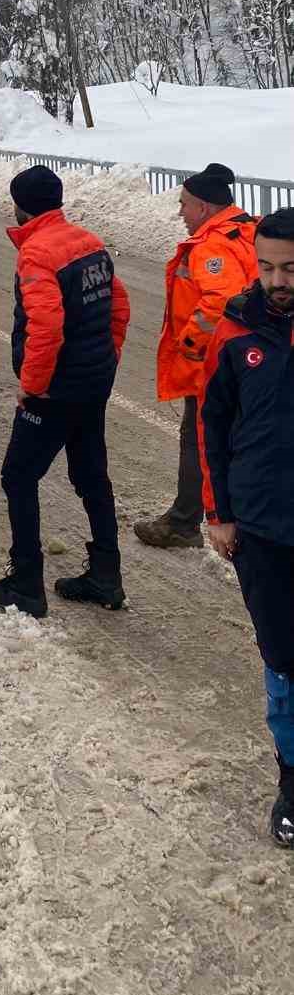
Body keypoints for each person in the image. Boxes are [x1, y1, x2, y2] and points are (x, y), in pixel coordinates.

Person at [0, 166, 131, 619]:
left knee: (18, 477)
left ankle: (26, 583)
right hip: (92, 383)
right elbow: (119, 304)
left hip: (55, 391)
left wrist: (32, 388)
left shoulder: (38, 253)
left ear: (20, 207)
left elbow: (46, 327)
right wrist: (109, 358)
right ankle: (106, 574)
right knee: (91, 476)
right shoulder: (89, 241)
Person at [198, 208, 294, 848]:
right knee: (283, 661)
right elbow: (212, 424)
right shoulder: (235, 328)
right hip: (262, 524)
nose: (277, 279)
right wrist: (219, 512)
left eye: (290, 268)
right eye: (267, 266)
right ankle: (293, 782)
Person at [135, 162, 258, 550]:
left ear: (204, 207)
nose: (180, 212)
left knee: (201, 439)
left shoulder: (212, 246)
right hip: (255, 359)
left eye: (184, 204)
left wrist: (188, 347)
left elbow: (219, 303)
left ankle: (185, 522)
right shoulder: (250, 231)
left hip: (217, 364)